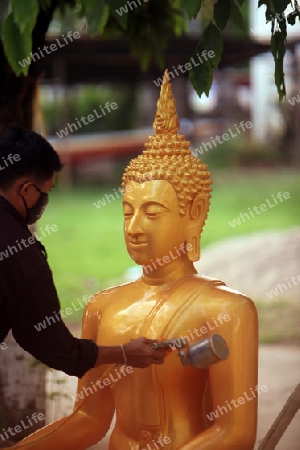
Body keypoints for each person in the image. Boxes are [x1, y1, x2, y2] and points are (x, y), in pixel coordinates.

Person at [9, 71, 258, 450]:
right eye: (127, 212)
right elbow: (90, 420)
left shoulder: (226, 310)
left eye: (153, 212)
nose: (135, 227)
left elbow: (234, 433)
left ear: (193, 211)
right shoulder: (103, 307)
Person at [0, 126, 164, 378]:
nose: (135, 229)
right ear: (26, 189)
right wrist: (124, 353)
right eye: (46, 193)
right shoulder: (20, 254)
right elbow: (56, 348)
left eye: (153, 213)